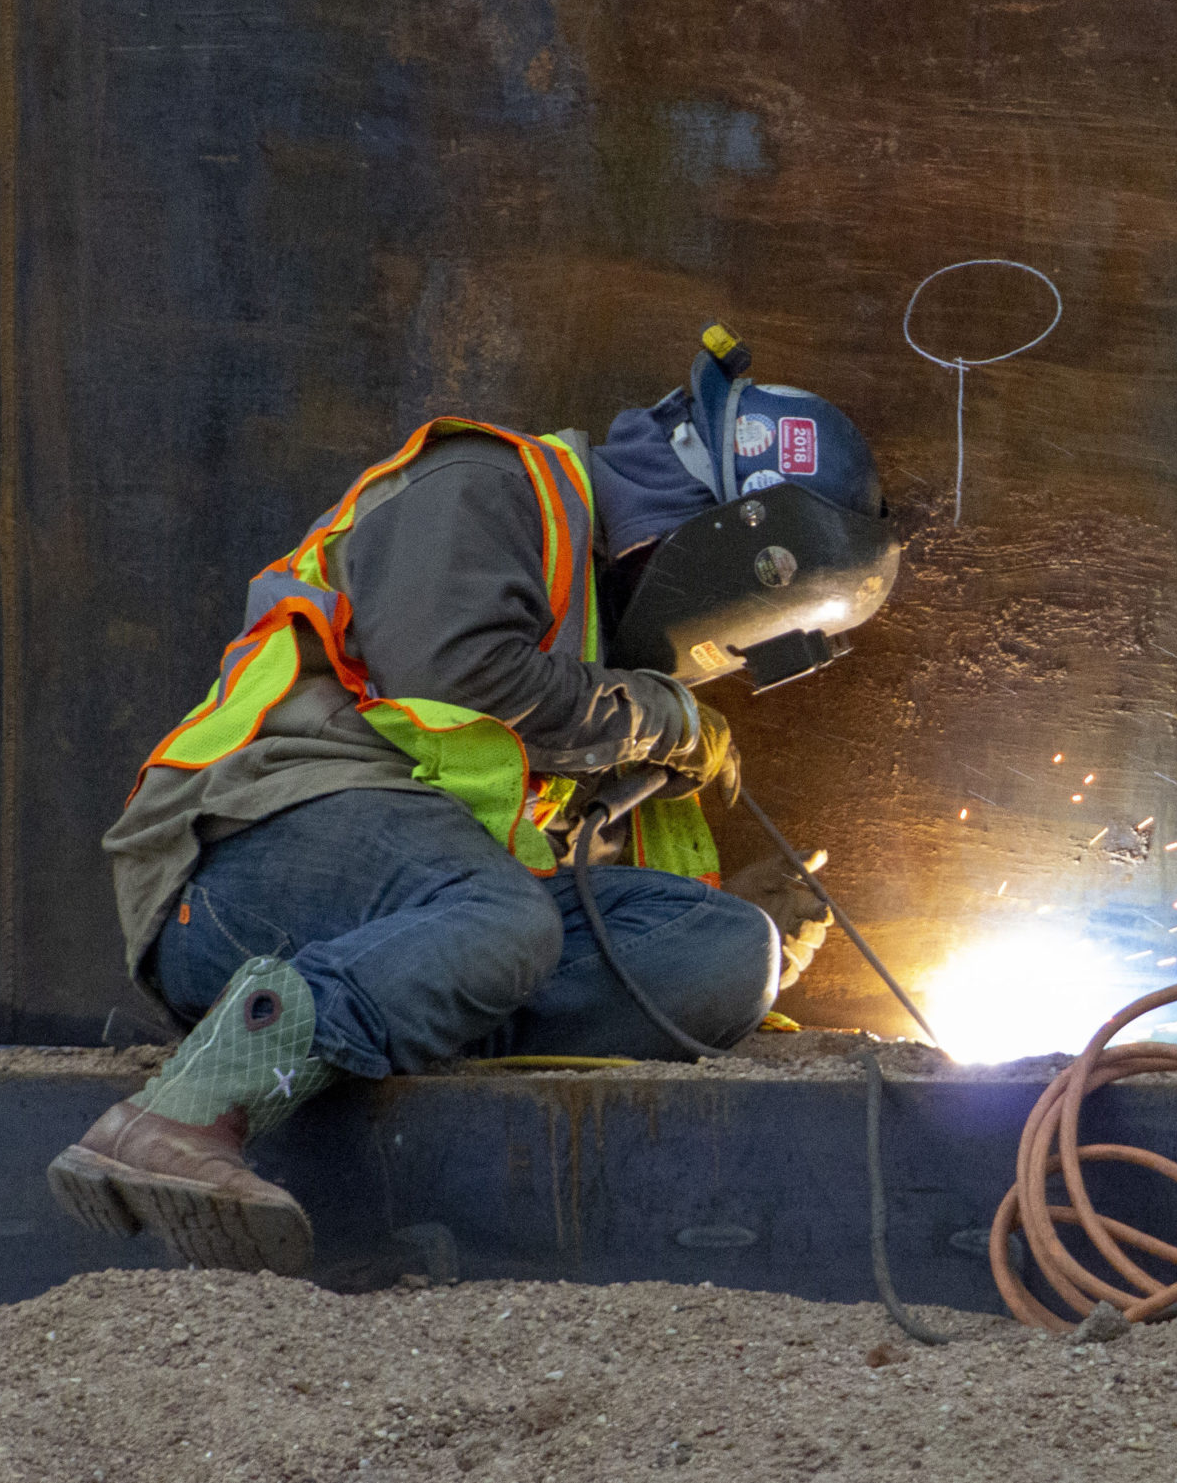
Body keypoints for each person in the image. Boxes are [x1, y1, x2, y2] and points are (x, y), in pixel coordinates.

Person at [47, 325, 898, 1275]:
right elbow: (458, 679)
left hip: (417, 911)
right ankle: (178, 1115)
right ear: (720, 539)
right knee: (504, 921)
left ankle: (403, 1001)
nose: (715, 665)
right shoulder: (489, 485)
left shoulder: (592, 636)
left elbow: (531, 845)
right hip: (245, 858)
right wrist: (662, 720)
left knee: (725, 957)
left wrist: (736, 913)